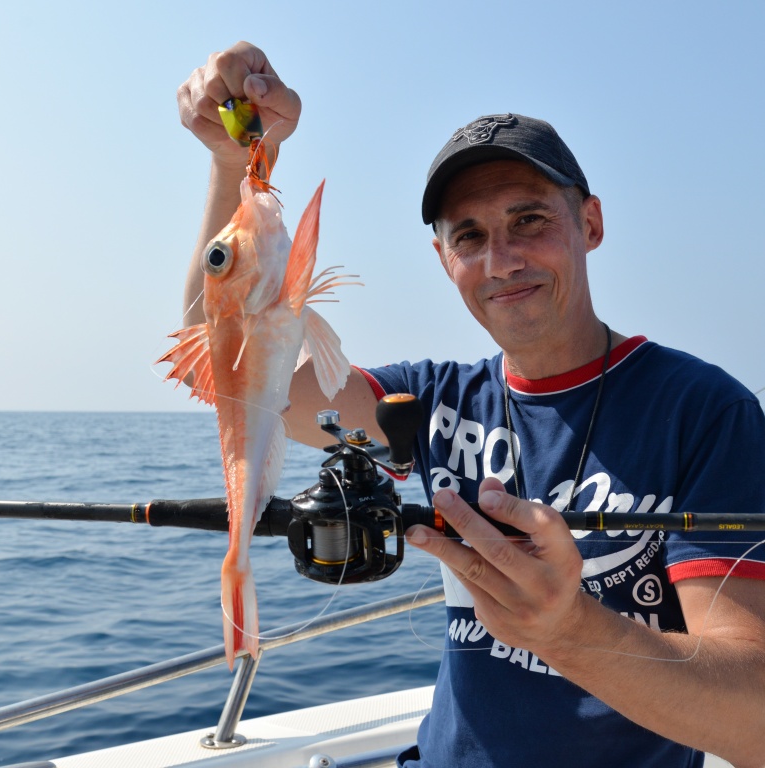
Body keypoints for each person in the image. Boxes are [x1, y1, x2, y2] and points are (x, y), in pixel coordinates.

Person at [177, 42, 765, 768]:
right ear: (444, 261)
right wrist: (232, 164)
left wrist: (568, 628)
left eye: (529, 221)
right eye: (470, 236)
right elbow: (230, 375)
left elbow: (755, 723)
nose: (501, 260)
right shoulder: (425, 401)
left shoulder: (704, 412)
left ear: (591, 224)